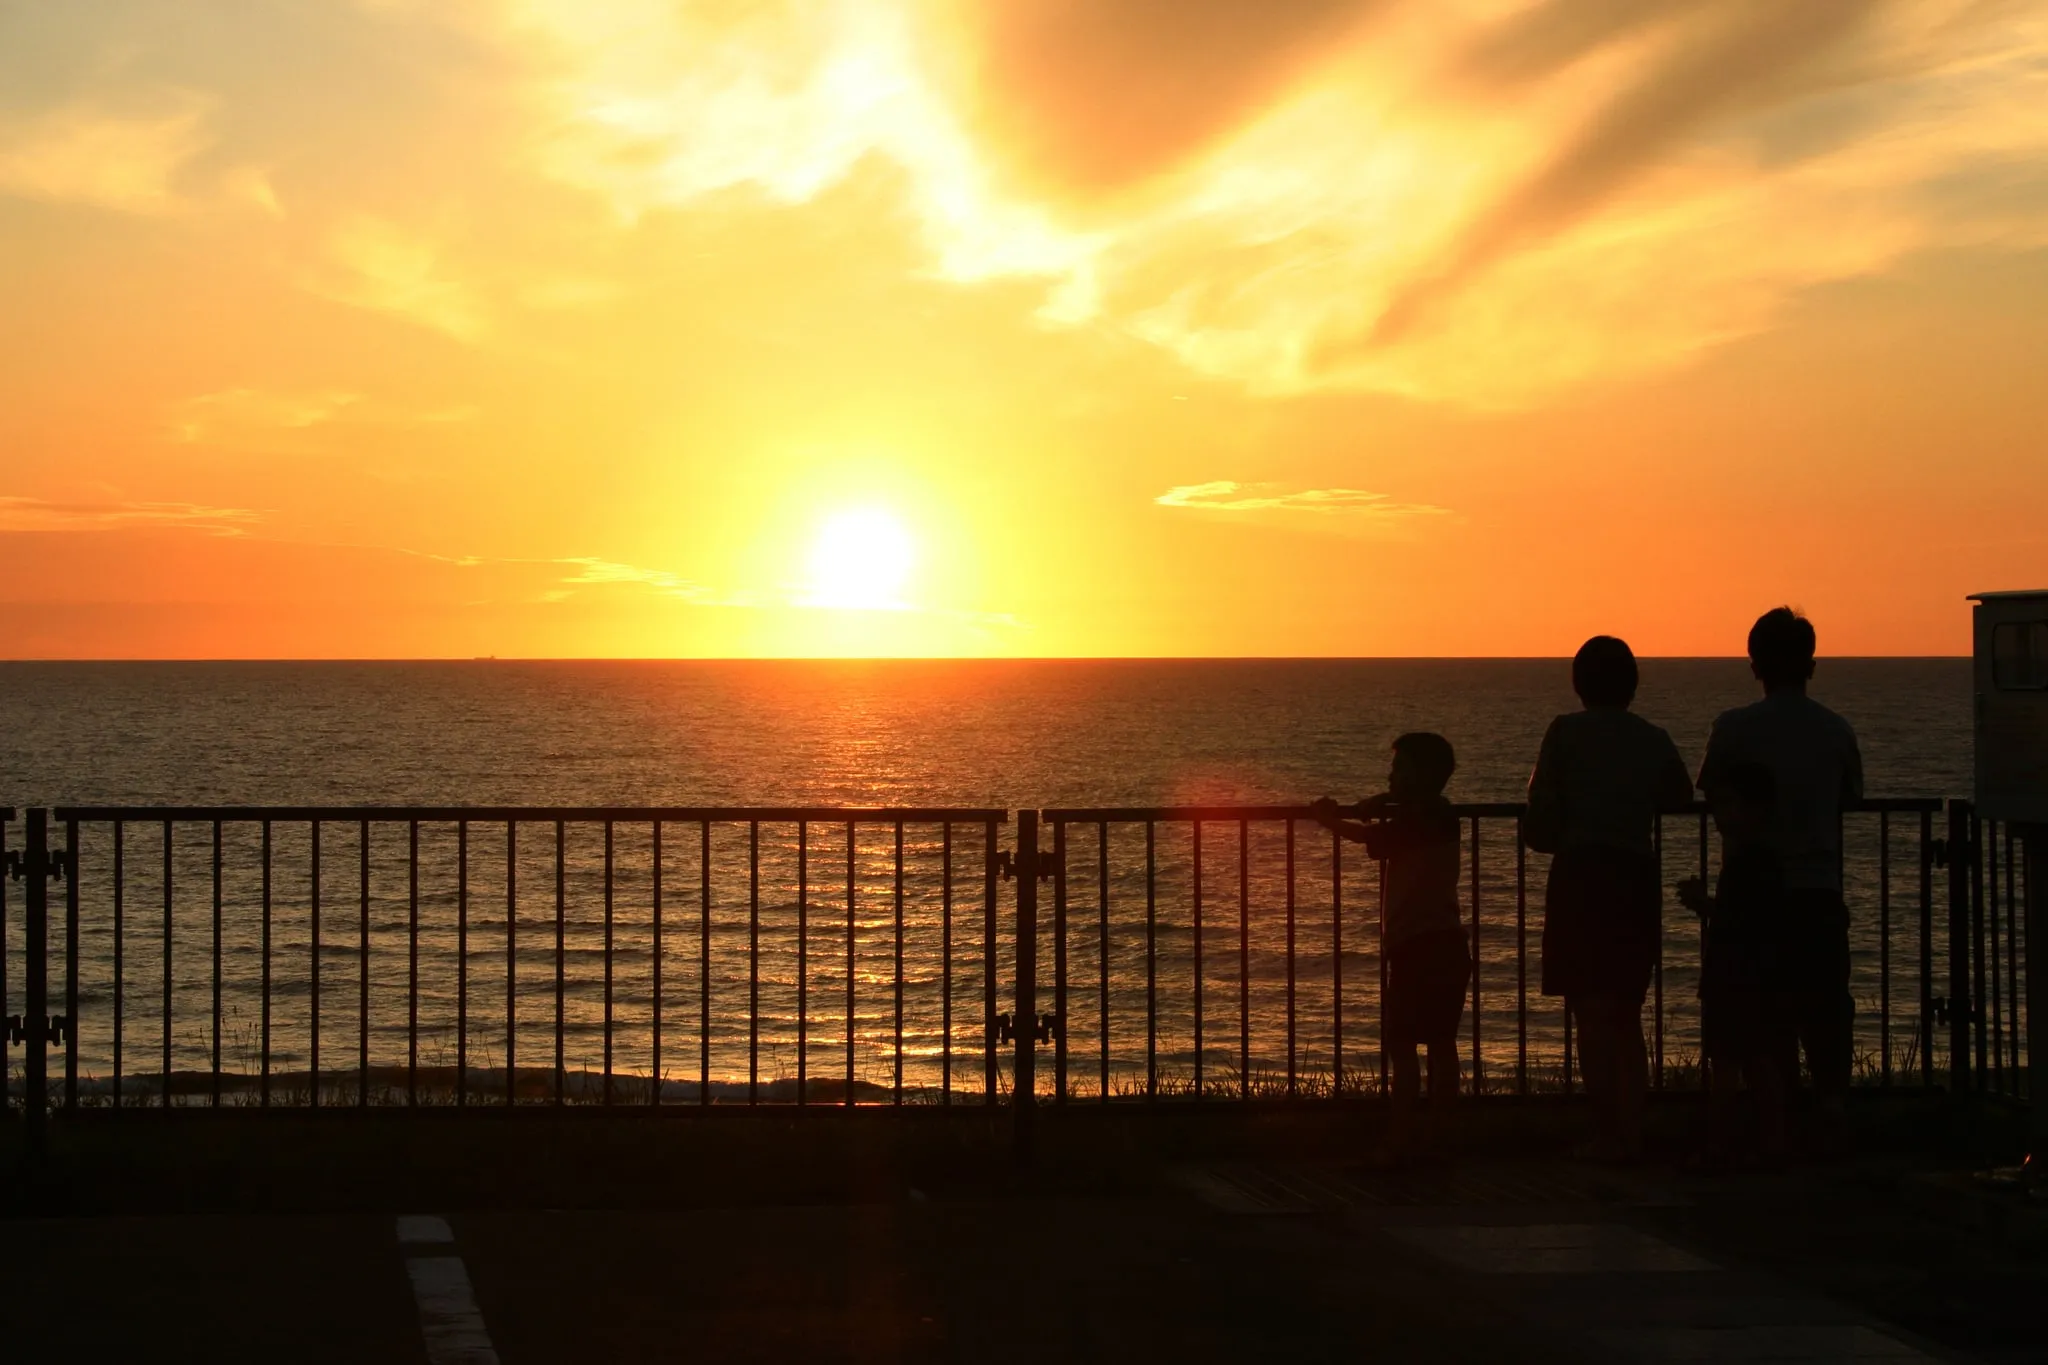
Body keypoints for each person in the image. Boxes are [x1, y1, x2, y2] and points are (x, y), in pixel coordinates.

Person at [1697, 607, 1864, 1148]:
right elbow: (1853, 796)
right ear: (1811, 664)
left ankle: (1772, 1127)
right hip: (1818, 888)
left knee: (1759, 1012)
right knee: (1824, 1004)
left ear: (1754, 665)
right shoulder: (1835, 728)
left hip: (1751, 892)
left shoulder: (1733, 728)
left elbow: (1711, 791)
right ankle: (1832, 1111)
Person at [1526, 636, 1694, 1163]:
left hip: (1580, 875)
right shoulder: (1652, 736)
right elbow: (1680, 795)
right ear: (1632, 685)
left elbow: (1540, 814)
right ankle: (1633, 1132)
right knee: (1625, 1010)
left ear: (1578, 683)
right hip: (1634, 874)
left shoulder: (1564, 733)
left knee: (1590, 1012)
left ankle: (1606, 1133)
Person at [1312, 732, 1468, 1166]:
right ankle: (1442, 1137)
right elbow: (1399, 815)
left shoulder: (1417, 822)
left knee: (1402, 1047)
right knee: (1441, 1044)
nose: (1391, 774)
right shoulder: (1441, 813)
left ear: (1420, 775)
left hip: (1415, 946)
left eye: (1399, 769)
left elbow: (1369, 841)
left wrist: (1328, 820)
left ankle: (1399, 1142)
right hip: (1449, 943)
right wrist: (1381, 799)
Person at [1677, 761, 1789, 1169]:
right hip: (1756, 972)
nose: (1720, 816)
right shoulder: (1765, 860)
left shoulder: (1750, 863)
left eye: (1727, 805)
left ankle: (1720, 1145)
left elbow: (1737, 919)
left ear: (1753, 809)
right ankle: (1772, 1143)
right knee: (1760, 1058)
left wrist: (1702, 903)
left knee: (1728, 1064)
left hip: (1734, 973)